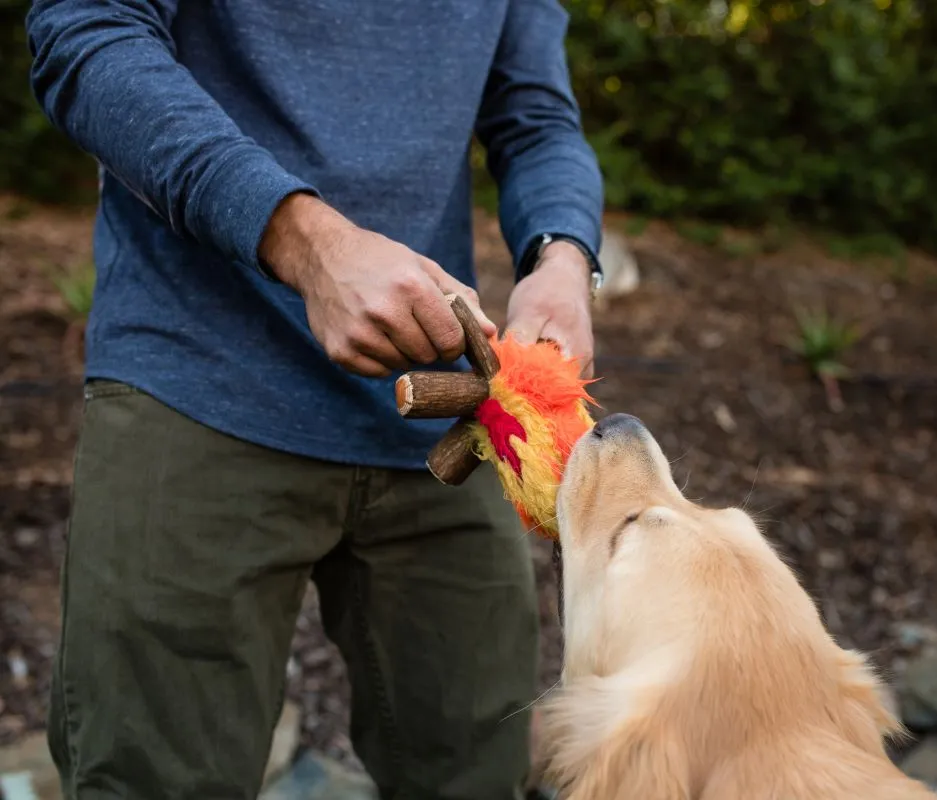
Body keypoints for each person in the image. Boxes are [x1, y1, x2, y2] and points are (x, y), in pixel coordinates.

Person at [25, 1, 604, 798]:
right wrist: (302, 240)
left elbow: (535, 117)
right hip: (197, 382)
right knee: (153, 776)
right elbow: (87, 35)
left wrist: (565, 255)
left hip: (434, 430)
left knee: (482, 770)